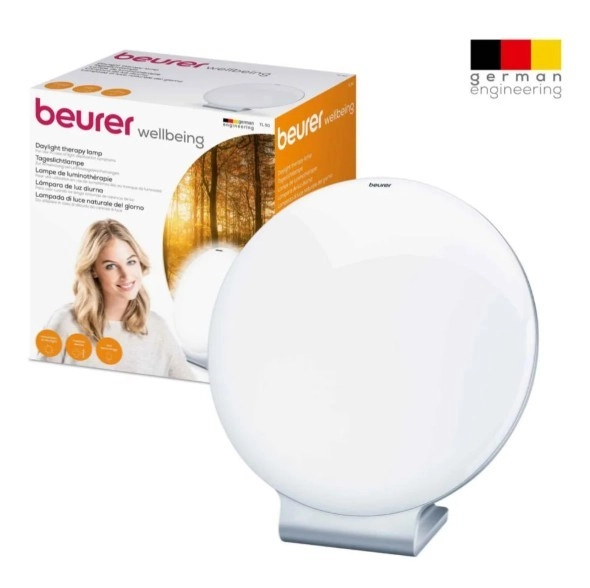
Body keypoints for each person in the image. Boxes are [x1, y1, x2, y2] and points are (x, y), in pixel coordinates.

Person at [40, 219, 195, 381]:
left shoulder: (157, 328)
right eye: (111, 266)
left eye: (131, 262)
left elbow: (190, 387)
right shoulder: (65, 323)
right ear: (93, 270)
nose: (126, 275)